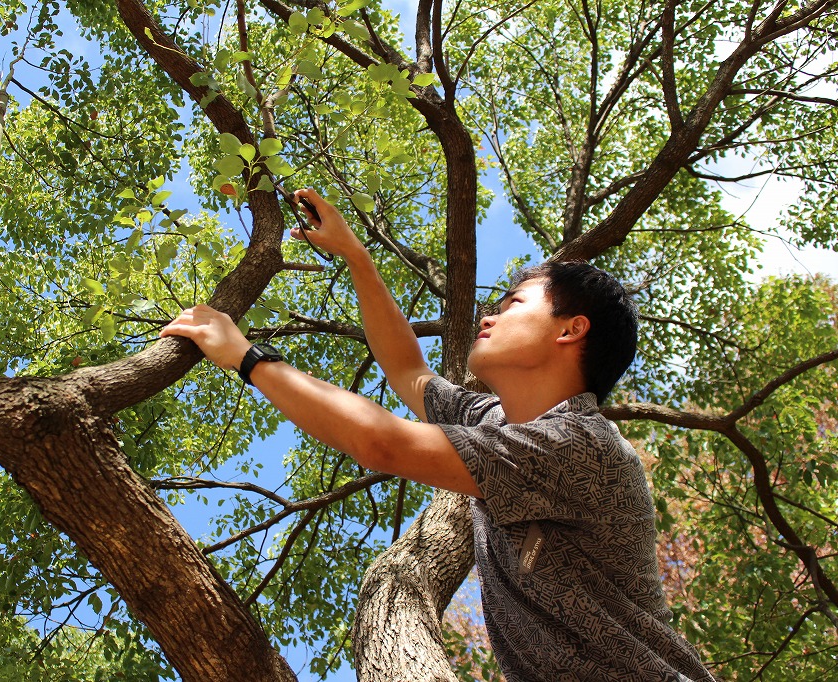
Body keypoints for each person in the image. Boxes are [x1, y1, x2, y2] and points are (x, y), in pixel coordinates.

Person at [160, 189, 715, 681]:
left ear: (572, 329)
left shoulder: (582, 446)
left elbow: (384, 442)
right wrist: (357, 257)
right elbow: (408, 372)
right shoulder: (494, 421)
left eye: (514, 304)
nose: (489, 318)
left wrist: (247, 357)